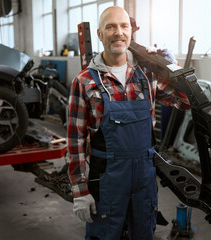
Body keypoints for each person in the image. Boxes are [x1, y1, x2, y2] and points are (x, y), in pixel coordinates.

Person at [67, 6, 189, 240]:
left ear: (131, 32)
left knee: (144, 233)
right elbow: (75, 143)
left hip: (144, 179)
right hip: (106, 182)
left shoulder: (147, 75)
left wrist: (171, 66)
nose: (118, 32)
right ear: (101, 35)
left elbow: (186, 101)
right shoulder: (84, 82)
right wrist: (80, 192)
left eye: (124, 26)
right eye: (110, 26)